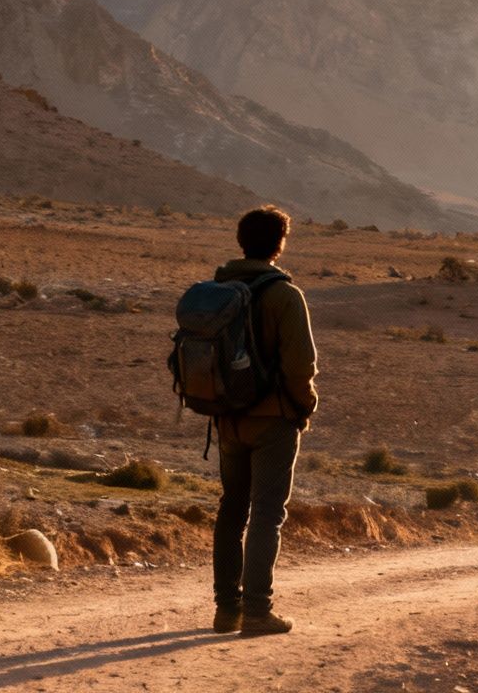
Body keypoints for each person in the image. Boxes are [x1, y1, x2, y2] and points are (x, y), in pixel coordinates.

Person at [209, 205, 318, 635]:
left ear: (241, 241)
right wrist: (303, 406)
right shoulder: (284, 295)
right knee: (267, 514)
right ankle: (257, 611)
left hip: (227, 417)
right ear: (280, 244)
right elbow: (301, 364)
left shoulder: (220, 289)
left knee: (231, 510)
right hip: (273, 419)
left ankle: (226, 609)